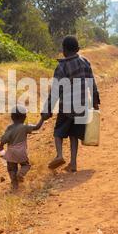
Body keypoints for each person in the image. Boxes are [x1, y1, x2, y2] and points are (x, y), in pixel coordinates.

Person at [42, 36, 100, 173]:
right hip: (82, 106)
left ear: (63, 51)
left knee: (58, 132)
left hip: (66, 107)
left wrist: (48, 109)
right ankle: (73, 163)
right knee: (74, 135)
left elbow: (56, 91)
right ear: (78, 49)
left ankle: (59, 155)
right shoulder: (85, 62)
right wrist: (96, 102)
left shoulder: (61, 67)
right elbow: (92, 83)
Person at [0, 106, 45, 190]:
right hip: (21, 152)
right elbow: (37, 127)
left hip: (10, 153)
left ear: (12, 117)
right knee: (26, 165)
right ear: (24, 117)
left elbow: (4, 138)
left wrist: (1, 146)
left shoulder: (9, 128)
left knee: (11, 169)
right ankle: (21, 174)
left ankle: (14, 184)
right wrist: (43, 118)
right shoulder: (24, 127)